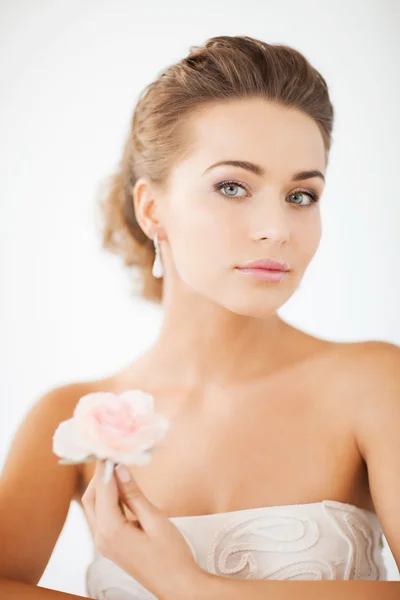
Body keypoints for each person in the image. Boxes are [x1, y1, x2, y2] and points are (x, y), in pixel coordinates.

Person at [1, 34, 399, 600]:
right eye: (233, 186)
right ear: (151, 208)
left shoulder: (376, 383)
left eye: (301, 195)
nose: (277, 228)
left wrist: (189, 587)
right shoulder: (68, 417)